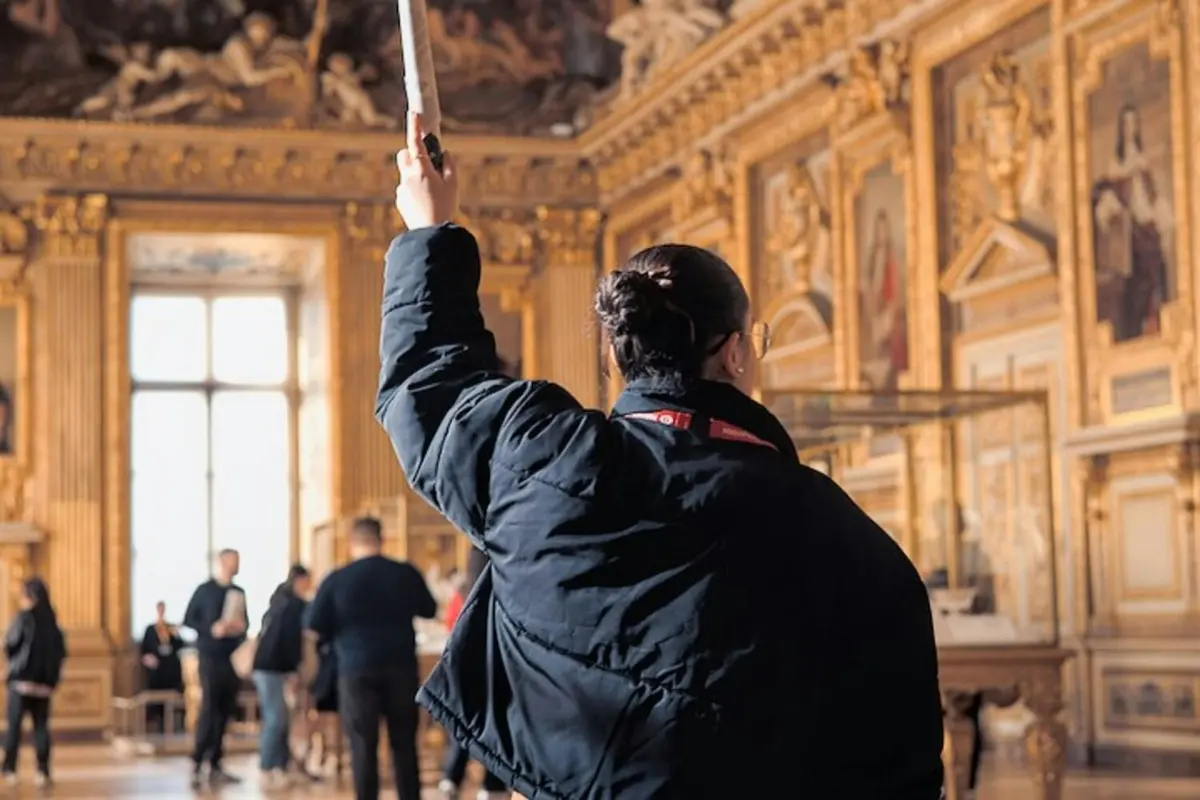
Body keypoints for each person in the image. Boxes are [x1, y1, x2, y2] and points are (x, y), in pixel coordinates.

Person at [374, 113, 945, 798]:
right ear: (735, 353)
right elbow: (899, 754)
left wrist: (429, 232)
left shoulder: (545, 457)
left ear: (618, 356)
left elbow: (428, 389)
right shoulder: (834, 527)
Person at [305, 517, 436, 800]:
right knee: (404, 744)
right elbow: (428, 608)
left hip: (355, 670)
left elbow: (315, 625)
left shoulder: (337, 579)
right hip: (401, 667)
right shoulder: (404, 573)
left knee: (362, 745)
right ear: (382, 538)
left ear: (352, 542)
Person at [437, 548, 506, 800]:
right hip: (501, 652)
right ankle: (492, 784)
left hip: (474, 650)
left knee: (468, 716)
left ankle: (452, 778)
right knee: (497, 717)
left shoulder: (469, 584)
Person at [183, 548, 249, 788]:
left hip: (231, 658)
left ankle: (216, 762)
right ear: (222, 562)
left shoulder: (238, 592)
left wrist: (237, 627)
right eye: (233, 560)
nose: (237, 564)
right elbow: (189, 618)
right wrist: (212, 629)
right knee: (209, 707)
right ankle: (198, 760)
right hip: (210, 656)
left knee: (224, 709)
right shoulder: (205, 590)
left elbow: (245, 622)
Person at [1, 578, 66, 787]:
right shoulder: (53, 622)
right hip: (44, 687)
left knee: (14, 728)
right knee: (41, 729)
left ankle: (9, 769)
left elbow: (11, 643)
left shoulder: (24, 617)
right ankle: (43, 771)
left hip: (21, 683)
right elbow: (61, 653)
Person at [251, 564, 311, 789]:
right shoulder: (292, 605)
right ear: (299, 580)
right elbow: (289, 642)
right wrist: (293, 670)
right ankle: (268, 767)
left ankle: (282, 765)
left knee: (281, 717)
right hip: (271, 668)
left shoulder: (278, 602)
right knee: (275, 718)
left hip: (270, 667)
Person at [139, 600, 184, 734]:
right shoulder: (150, 629)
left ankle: (172, 724)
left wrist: (175, 634)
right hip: (156, 670)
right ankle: (155, 723)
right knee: (155, 698)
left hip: (170, 668)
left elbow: (180, 645)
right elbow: (144, 649)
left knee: (172, 697)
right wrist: (147, 658)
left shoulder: (171, 628)